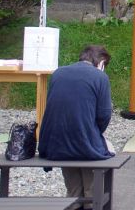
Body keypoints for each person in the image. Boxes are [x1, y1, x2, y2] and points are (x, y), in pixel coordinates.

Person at [38, 45, 114, 210]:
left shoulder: (58, 73)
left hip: (55, 143)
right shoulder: (100, 77)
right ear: (101, 63)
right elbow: (104, 115)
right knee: (92, 187)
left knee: (73, 188)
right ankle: (91, 203)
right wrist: (94, 132)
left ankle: (74, 202)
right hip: (85, 145)